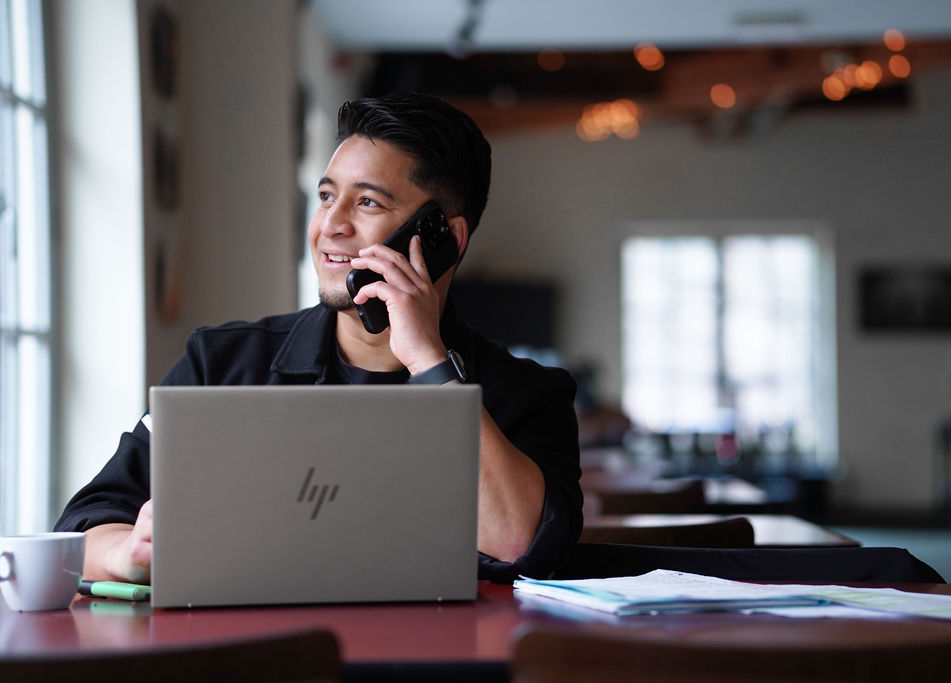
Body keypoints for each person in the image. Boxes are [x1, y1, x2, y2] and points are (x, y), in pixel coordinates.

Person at [54, 93, 583, 584]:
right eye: (327, 196)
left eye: (368, 203)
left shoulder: (529, 395)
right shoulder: (221, 363)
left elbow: (521, 543)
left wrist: (429, 360)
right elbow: (83, 526)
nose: (330, 224)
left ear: (444, 238)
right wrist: (129, 553)